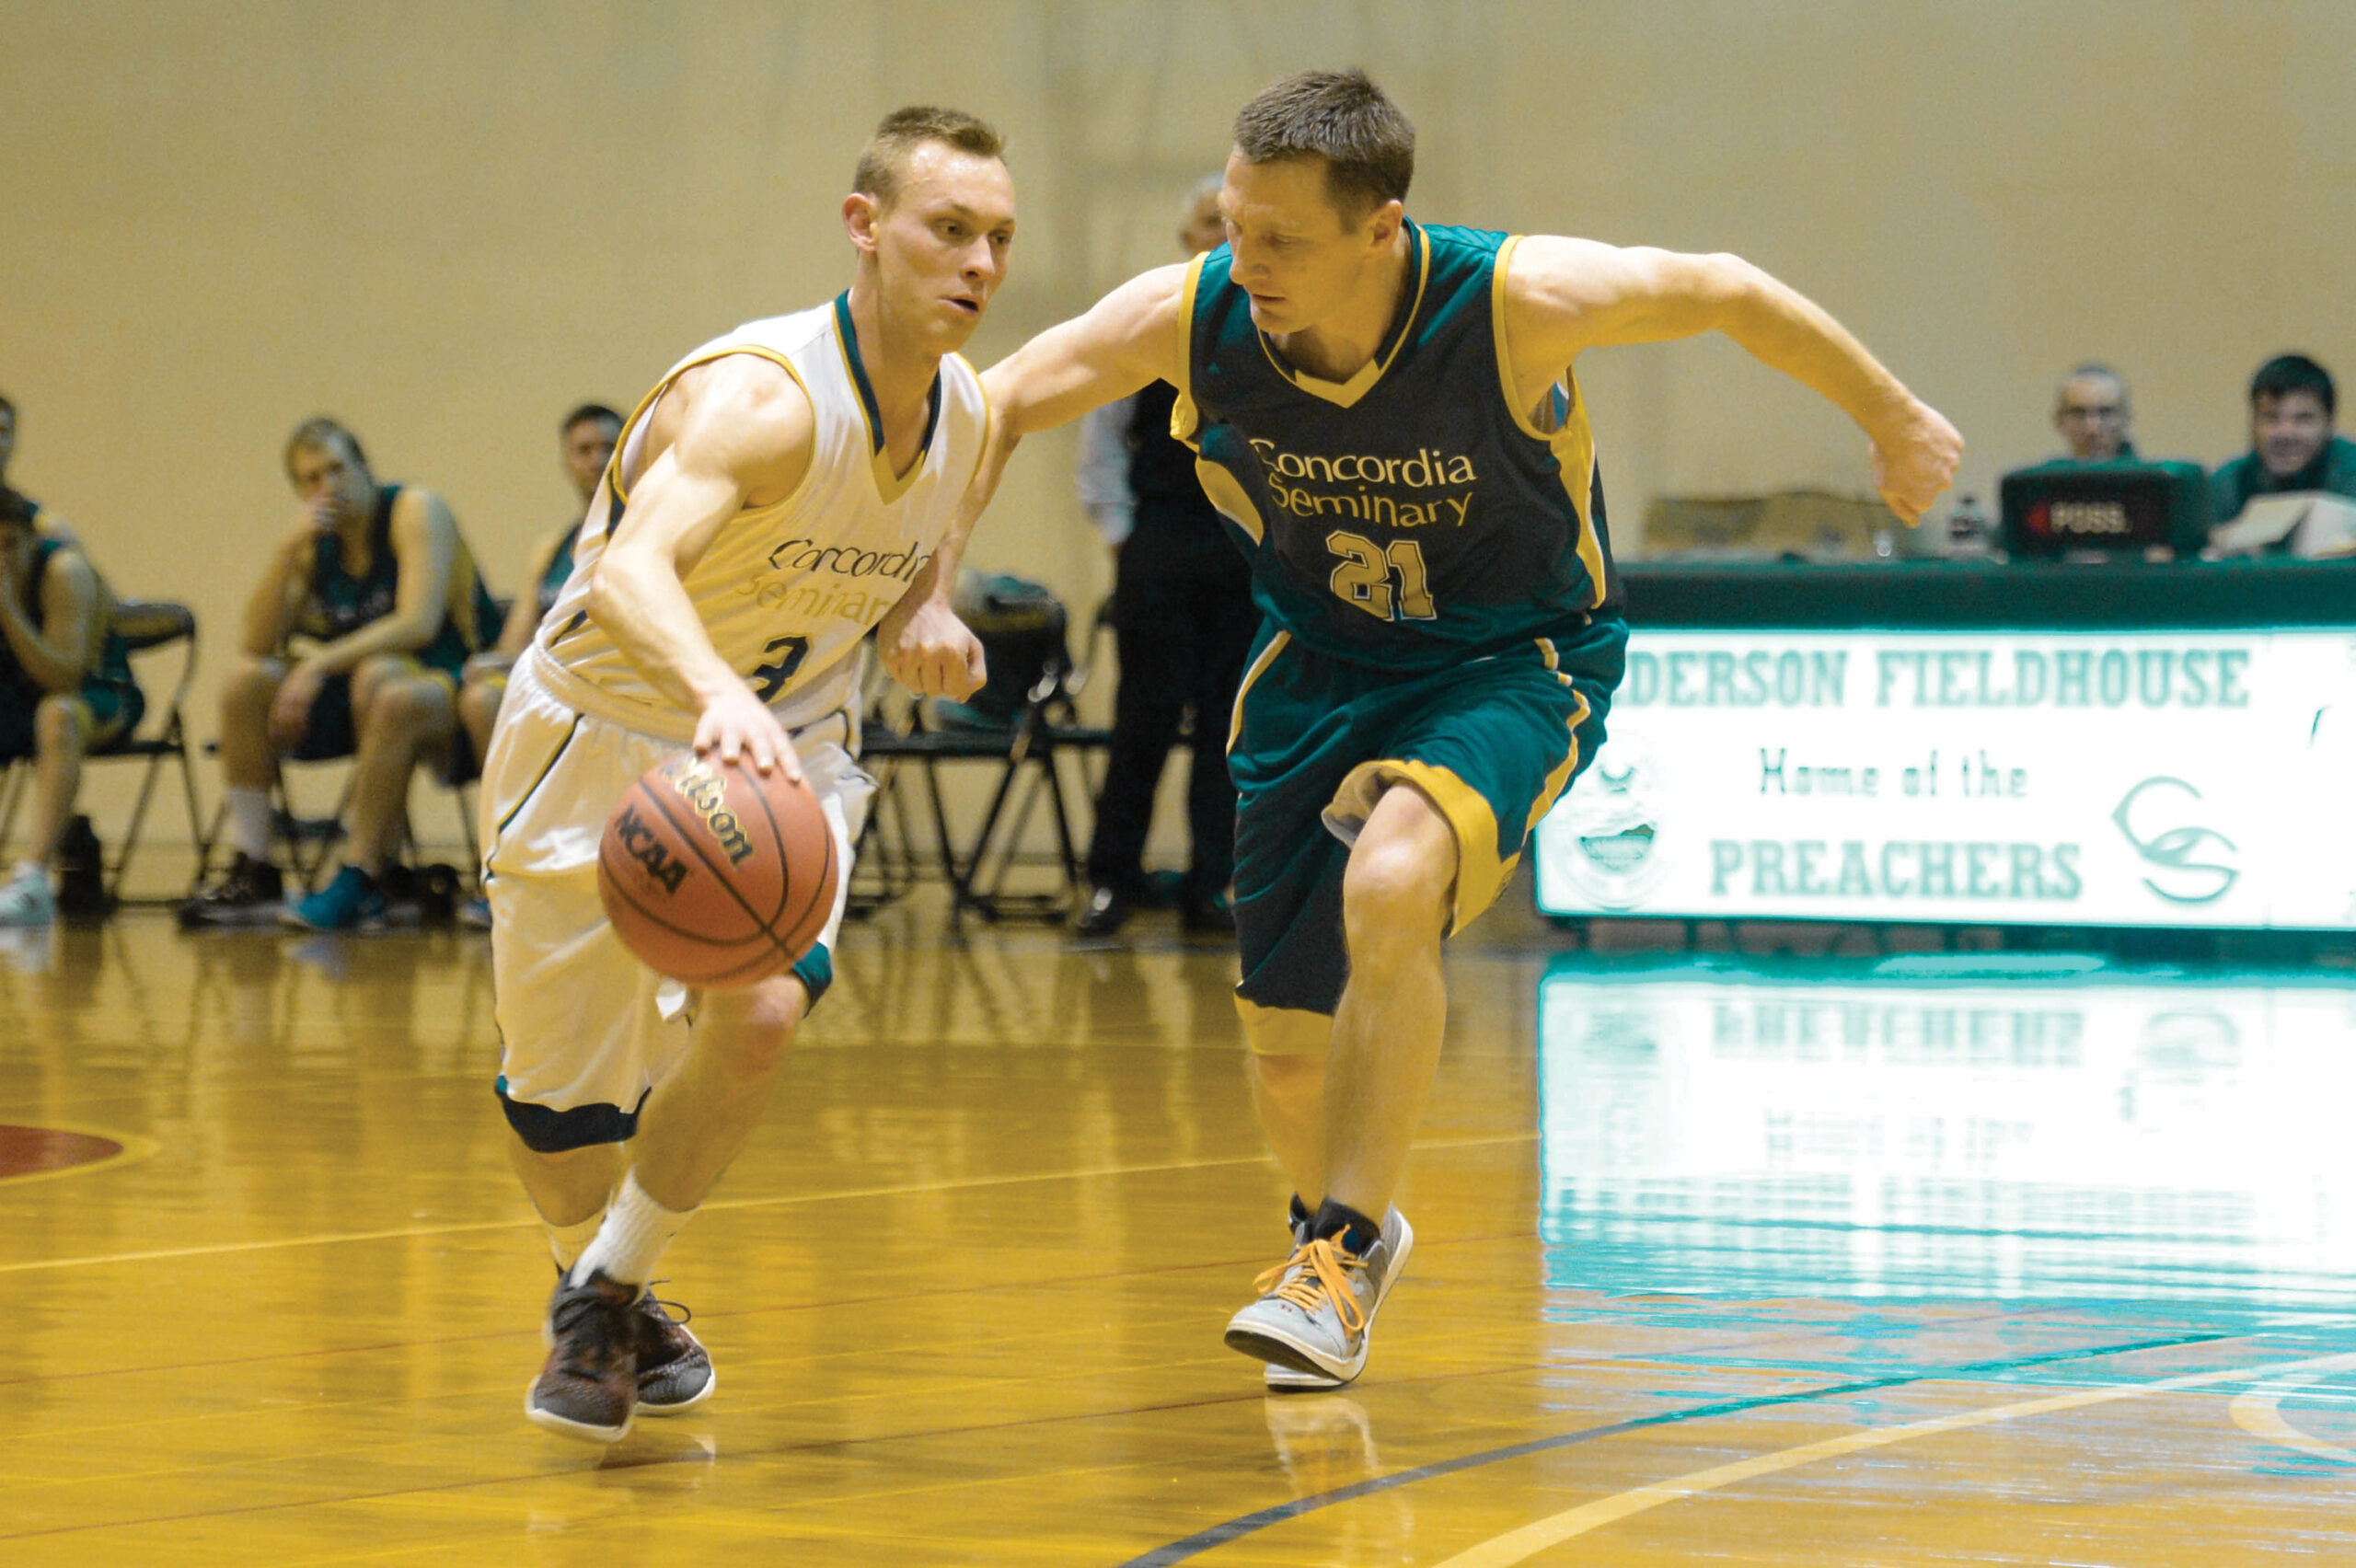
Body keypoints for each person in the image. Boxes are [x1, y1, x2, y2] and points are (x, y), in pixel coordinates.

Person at [945, 69, 1958, 1390]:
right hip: (1315, 669)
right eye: (1236, 227)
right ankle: (1334, 1230)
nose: (1243, 262)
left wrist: (1891, 415)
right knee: (1290, 1054)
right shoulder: (1196, 313)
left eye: (1281, 239)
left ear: (1382, 229)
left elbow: (1724, 287)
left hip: (1510, 661)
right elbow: (995, 402)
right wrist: (924, 583)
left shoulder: (1514, 302)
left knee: (1395, 875)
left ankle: (1343, 1250)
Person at [481, 105, 1002, 1443]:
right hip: (597, 729)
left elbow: (929, 524)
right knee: (562, 1114)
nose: (980, 261)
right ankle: (596, 1282)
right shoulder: (762, 401)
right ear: (865, 227)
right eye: (951, 229)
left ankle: (611, 1293)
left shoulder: (969, 410)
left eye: (1000, 238)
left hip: (792, 752)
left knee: (763, 1008)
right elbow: (625, 570)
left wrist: (924, 616)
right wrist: (713, 692)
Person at [176, 418, 499, 928]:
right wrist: (287, 550)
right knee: (246, 682)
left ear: (365, 468)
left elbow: (418, 622)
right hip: (363, 698)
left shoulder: (414, 509)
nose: (328, 486)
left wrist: (319, 664)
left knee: (380, 679)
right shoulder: (315, 540)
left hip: (453, 687)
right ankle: (254, 867)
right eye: (311, 479)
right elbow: (257, 642)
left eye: (337, 469)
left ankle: (366, 874)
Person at [1071, 177, 1260, 937]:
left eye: (1235, 225)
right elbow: (1099, 447)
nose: (1222, 236)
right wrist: (1128, 538)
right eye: (1210, 224)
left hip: (1243, 555)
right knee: (1141, 722)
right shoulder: (1150, 324)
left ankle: (1213, 887)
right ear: (1187, 239)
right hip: (1159, 547)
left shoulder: (1277, 332)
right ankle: (1111, 883)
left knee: (1229, 728)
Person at [455, 403, 624, 771]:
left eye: (608, 447)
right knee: (482, 697)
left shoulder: (643, 535)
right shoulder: (550, 548)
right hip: (549, 679)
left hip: (613, 681)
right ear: (567, 463)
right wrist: (492, 662)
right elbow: (515, 642)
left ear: (629, 456)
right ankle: (509, 825)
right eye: (584, 450)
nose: (597, 460)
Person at [0, 491, 143, 925]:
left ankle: (33, 880)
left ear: (31, 539)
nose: (3, 559)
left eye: (9, 544)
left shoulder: (65, 570)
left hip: (97, 694)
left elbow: (63, 677)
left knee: (57, 713)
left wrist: (6, 608)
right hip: (18, 696)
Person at [2210, 353, 2356, 525]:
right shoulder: (2230, 481)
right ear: (2253, 423)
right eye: (2271, 418)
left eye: (2303, 419)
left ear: (2329, 425)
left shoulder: (2351, 472)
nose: (2285, 433)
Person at [2048, 364, 2135, 463]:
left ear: (2126, 419)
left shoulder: (2148, 476)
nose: (2092, 429)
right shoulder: (2042, 476)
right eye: (2079, 414)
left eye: (2105, 413)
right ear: (2059, 421)